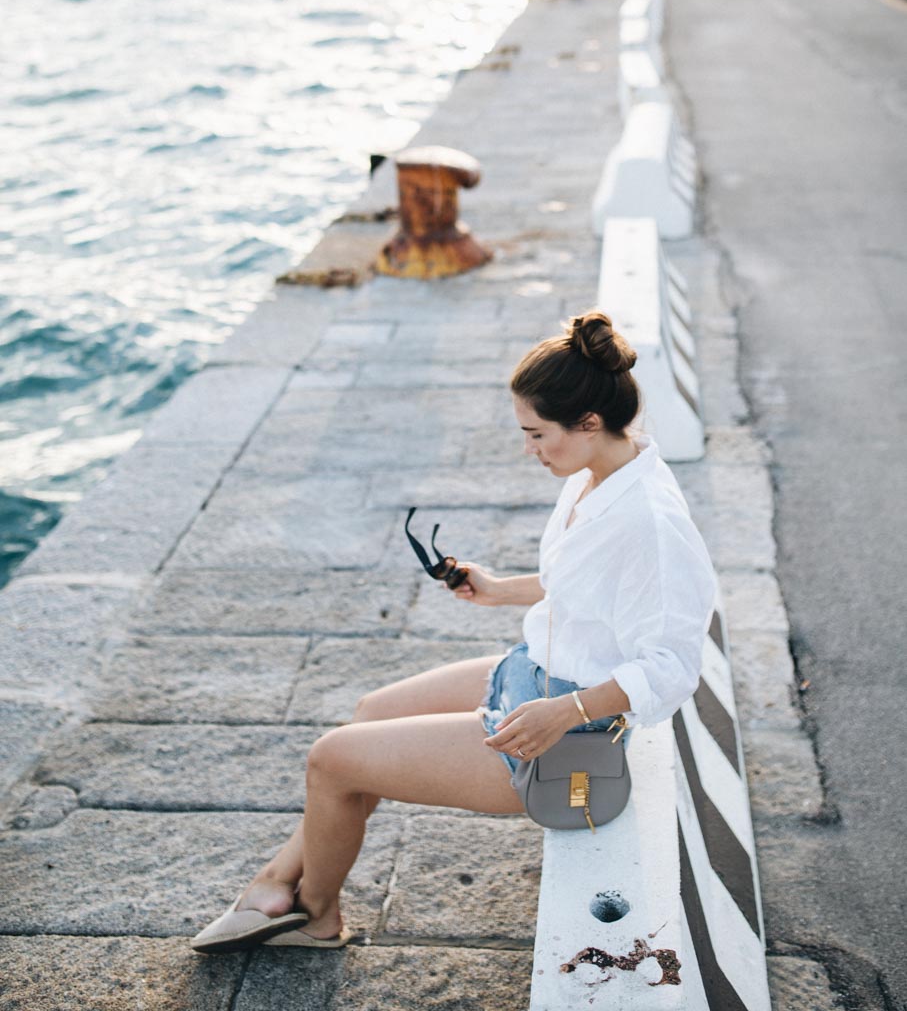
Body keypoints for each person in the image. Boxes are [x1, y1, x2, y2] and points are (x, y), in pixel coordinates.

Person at [190, 309, 717, 954]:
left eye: (535, 434)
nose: (529, 449)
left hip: (565, 732)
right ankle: (280, 881)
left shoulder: (651, 522)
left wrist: (564, 712)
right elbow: (583, 589)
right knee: (369, 713)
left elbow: (671, 665)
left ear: (587, 423)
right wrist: (498, 589)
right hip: (537, 673)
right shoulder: (598, 472)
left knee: (333, 758)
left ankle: (315, 914)